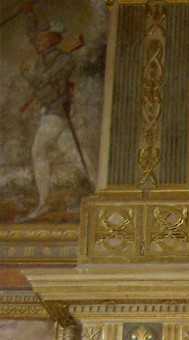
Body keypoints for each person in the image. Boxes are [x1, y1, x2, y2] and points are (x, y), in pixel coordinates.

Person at [19, 2, 95, 221]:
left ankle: (43, 203)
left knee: (38, 151)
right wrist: (30, 13)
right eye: (40, 39)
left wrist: (28, 74)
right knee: (73, 152)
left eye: (43, 38)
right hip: (49, 111)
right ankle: (97, 187)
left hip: (56, 111)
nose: (38, 41)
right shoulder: (45, 53)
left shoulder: (65, 59)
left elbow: (44, 81)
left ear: (53, 40)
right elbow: (31, 33)